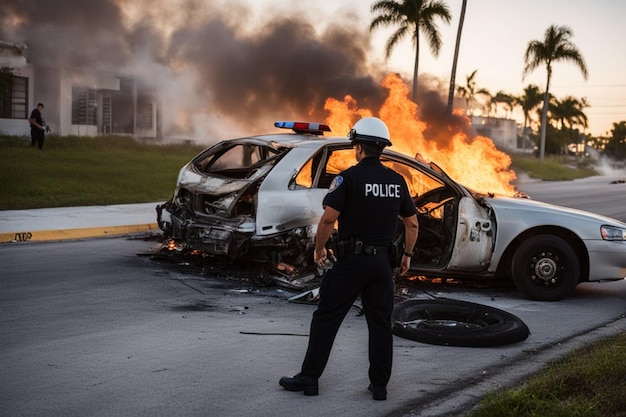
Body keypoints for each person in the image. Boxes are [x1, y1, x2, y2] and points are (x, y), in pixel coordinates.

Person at [279, 117, 419, 401]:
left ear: (358, 147)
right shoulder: (396, 181)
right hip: (382, 264)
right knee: (380, 324)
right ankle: (379, 386)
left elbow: (329, 218)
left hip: (352, 263)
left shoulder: (348, 178)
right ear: (382, 149)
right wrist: (406, 255)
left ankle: (309, 379)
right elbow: (413, 224)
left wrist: (319, 249)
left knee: (327, 318)